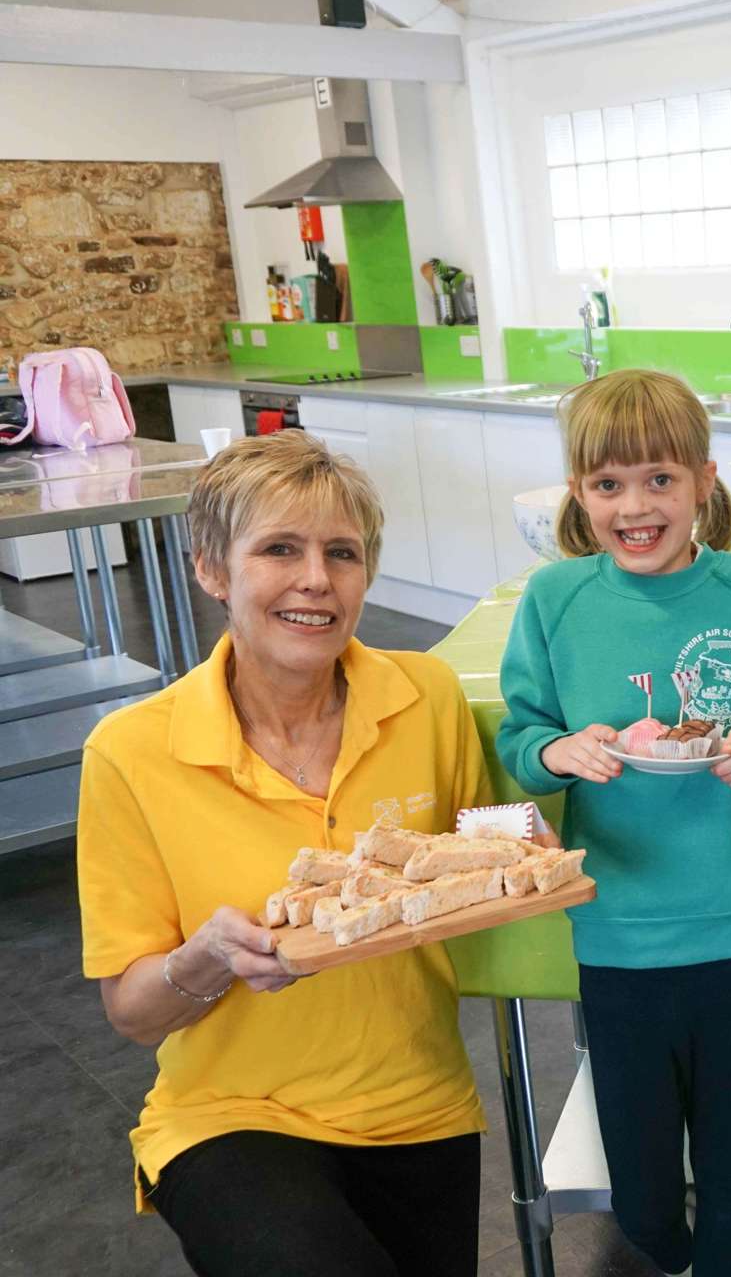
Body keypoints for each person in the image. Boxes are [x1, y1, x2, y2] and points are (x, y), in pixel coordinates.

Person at [76, 431, 491, 1277]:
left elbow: (480, 859)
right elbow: (133, 1013)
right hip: (230, 1115)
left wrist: (523, 846)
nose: (316, 579)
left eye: (342, 552)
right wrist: (208, 959)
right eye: (279, 549)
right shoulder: (132, 752)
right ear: (212, 570)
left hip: (421, 1105)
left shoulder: (428, 698)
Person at [496, 369, 731, 1277]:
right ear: (578, 494)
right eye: (608, 485)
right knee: (639, 1184)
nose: (634, 507)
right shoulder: (555, 600)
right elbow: (520, 738)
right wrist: (558, 753)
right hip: (615, 928)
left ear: (704, 482)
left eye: (659, 481)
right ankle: (662, 1248)